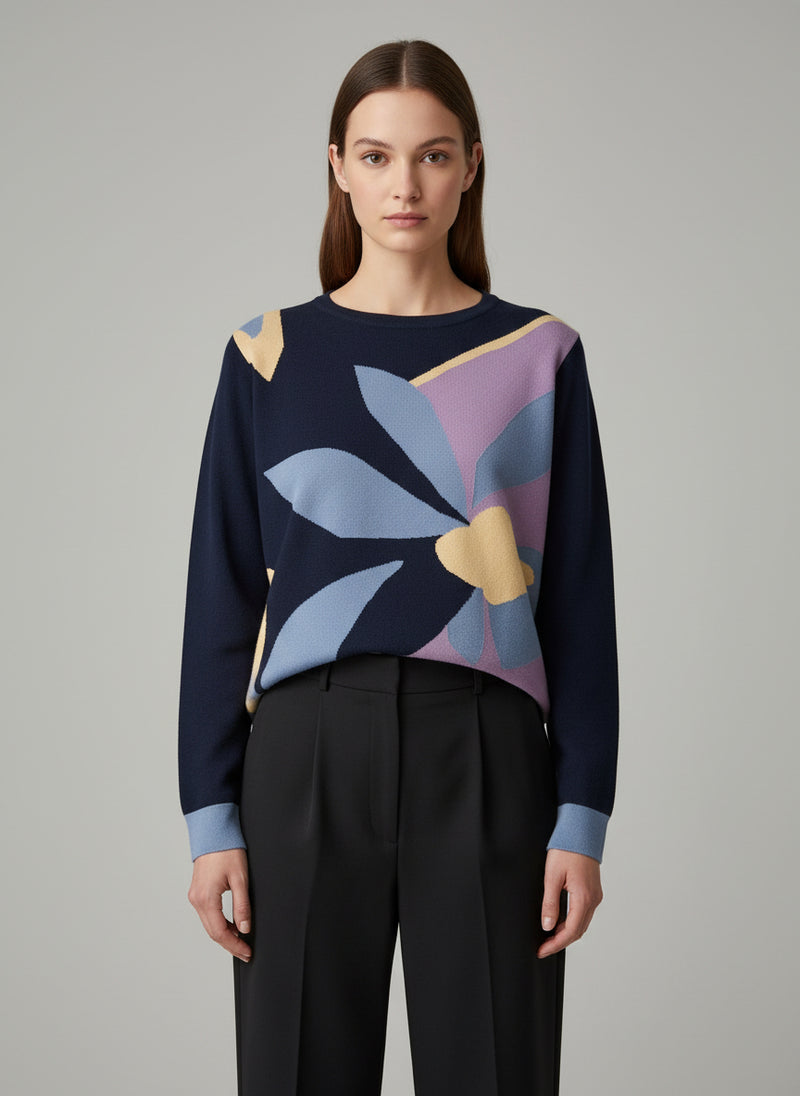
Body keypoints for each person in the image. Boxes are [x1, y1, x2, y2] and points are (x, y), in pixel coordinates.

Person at [178, 38, 619, 1096]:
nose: (404, 185)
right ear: (337, 166)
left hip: (487, 749)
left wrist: (581, 815)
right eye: (376, 156)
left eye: (432, 155)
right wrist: (209, 817)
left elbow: (578, 601)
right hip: (305, 750)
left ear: (471, 165)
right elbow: (220, 595)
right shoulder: (265, 355)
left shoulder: (539, 355)